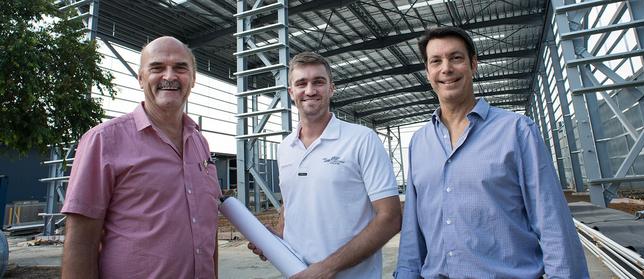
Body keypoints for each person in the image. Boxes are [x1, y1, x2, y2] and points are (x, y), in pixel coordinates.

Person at [394, 26, 589, 278]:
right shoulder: (420, 143)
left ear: (473, 64)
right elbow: (412, 232)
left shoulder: (517, 131)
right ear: (427, 72)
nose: (446, 69)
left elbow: (552, 223)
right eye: (436, 61)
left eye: (456, 58)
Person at [61, 36, 222, 279]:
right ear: (140, 78)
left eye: (180, 68)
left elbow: (208, 230)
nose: (169, 76)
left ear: (193, 79)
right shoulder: (104, 141)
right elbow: (81, 241)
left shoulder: (200, 144)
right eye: (157, 68)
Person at [249, 52, 402, 278]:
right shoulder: (285, 148)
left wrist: (328, 268)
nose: (310, 90)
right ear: (291, 92)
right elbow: (291, 205)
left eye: (318, 82)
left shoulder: (361, 139)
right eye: (301, 83)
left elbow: (390, 218)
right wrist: (275, 242)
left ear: (331, 88)